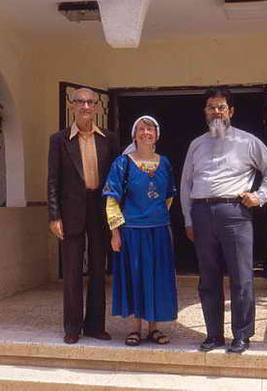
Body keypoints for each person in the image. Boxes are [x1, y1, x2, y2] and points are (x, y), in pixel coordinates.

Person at [180, 87, 267, 354]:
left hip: (235, 214)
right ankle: (214, 335)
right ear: (205, 112)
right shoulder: (196, 144)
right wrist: (188, 219)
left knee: (241, 277)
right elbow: (186, 184)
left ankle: (241, 335)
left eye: (221, 107)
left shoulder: (248, 142)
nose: (216, 112)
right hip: (202, 214)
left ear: (231, 111)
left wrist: (260, 196)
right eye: (211, 107)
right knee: (208, 279)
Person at [47, 87, 119, 344]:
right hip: (71, 211)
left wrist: (116, 218)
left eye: (90, 102)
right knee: (72, 270)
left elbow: (116, 179)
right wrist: (54, 216)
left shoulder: (109, 139)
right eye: (80, 102)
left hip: (99, 210)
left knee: (99, 270)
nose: (85, 106)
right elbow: (53, 180)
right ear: (71, 106)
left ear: (97, 107)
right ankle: (72, 327)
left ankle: (95, 326)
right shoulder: (59, 140)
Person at [102, 115, 178, 346]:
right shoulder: (122, 163)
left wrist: (158, 218)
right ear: (134, 134)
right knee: (136, 278)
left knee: (156, 279)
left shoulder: (164, 163)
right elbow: (111, 200)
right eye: (142, 129)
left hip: (158, 232)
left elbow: (168, 197)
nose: (146, 133)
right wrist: (115, 232)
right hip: (132, 232)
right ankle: (135, 328)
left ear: (156, 135)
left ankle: (154, 328)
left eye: (151, 129)